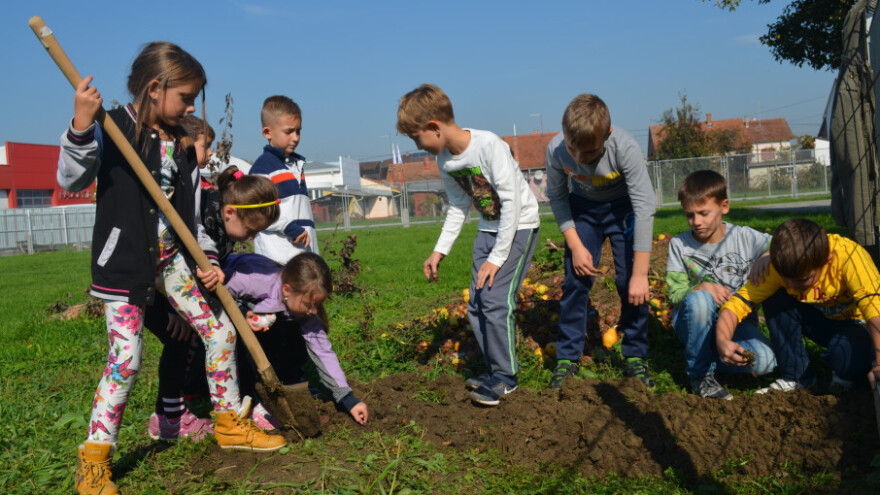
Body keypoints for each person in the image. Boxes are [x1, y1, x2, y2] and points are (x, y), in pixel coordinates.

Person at [57, 41, 285, 495]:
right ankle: (95, 461)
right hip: (124, 265)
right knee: (126, 361)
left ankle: (227, 423)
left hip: (173, 261)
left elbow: (190, 215)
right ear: (155, 87)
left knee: (220, 331)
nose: (190, 108)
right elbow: (70, 178)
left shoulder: (181, 145)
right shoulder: (115, 125)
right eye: (185, 98)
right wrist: (82, 124)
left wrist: (209, 260)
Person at [397, 83, 540, 407]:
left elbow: (512, 203)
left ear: (433, 127)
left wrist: (498, 258)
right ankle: (495, 373)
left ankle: (507, 378)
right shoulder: (445, 161)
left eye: (416, 137)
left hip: (518, 228)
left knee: (495, 302)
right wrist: (439, 250)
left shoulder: (489, 145)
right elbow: (460, 206)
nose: (418, 145)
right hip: (488, 230)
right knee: (476, 304)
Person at [146, 149, 281, 441]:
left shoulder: (223, 225)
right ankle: (169, 415)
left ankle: (192, 403)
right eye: (250, 230)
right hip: (151, 289)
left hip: (177, 289)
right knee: (181, 338)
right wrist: (173, 312)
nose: (250, 238)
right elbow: (173, 265)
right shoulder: (203, 216)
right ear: (231, 212)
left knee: (212, 334)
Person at [544, 93, 656, 389]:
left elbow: (644, 207)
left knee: (630, 283)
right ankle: (567, 358)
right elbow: (556, 196)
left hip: (624, 208)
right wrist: (576, 246)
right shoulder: (556, 149)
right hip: (584, 210)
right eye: (573, 150)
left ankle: (635, 356)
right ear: (563, 131)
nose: (579, 160)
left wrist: (641, 275)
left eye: (590, 153)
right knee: (575, 281)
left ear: (607, 134)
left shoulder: (625, 147)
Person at [717, 218, 880, 394]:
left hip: (859, 325)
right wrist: (722, 340)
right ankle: (797, 377)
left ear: (827, 261)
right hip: (822, 321)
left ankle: (845, 377)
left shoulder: (849, 257)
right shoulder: (780, 266)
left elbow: (874, 313)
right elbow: (737, 304)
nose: (792, 285)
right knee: (775, 297)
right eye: (784, 278)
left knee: (844, 355)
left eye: (803, 280)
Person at [666, 170, 777, 400]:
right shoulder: (679, 245)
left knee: (766, 361)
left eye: (704, 213)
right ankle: (700, 375)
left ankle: (704, 354)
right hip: (693, 321)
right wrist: (700, 287)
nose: (696, 222)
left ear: (724, 206)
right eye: (689, 215)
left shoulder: (744, 237)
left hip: (738, 324)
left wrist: (767, 255)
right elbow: (676, 296)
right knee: (700, 300)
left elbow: (781, 243)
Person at [223, 252, 369, 425]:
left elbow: (322, 351)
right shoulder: (254, 281)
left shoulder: (302, 304)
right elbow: (216, 291)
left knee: (294, 335)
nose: (314, 311)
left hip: (273, 311)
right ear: (286, 290)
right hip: (233, 301)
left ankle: (290, 380)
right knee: (248, 342)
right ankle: (251, 398)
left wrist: (346, 398)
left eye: (318, 305)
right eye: (308, 305)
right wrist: (241, 313)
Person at [249, 95, 318, 266]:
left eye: (298, 131)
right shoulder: (262, 169)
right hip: (277, 259)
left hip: (303, 257)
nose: (295, 137)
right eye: (289, 132)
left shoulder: (296, 166)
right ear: (267, 132)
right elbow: (256, 212)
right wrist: (288, 227)